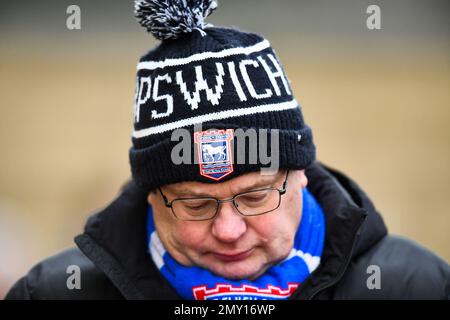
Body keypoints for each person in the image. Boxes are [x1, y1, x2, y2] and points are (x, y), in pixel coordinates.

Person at [6, 0, 449, 300]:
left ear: (300, 175)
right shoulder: (54, 292)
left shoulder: (416, 286)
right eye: (196, 204)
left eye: (255, 196)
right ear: (150, 195)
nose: (229, 231)